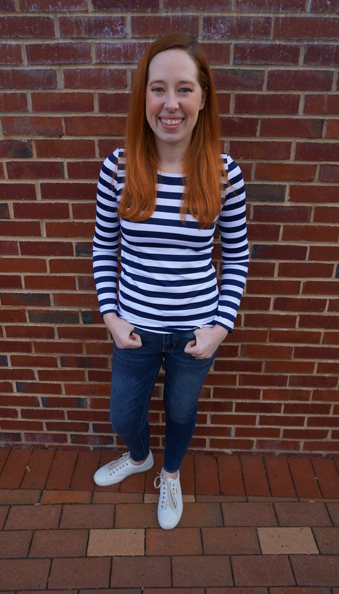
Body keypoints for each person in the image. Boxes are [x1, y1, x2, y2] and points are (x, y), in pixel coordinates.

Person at [92, 33, 249, 530]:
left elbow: (239, 255)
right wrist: (111, 317)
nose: (170, 103)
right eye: (158, 89)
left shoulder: (225, 175)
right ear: (144, 98)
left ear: (203, 99)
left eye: (184, 88)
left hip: (195, 333)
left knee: (181, 410)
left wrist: (220, 327)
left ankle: (171, 473)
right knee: (123, 416)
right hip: (134, 328)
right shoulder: (118, 168)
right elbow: (103, 249)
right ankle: (138, 455)